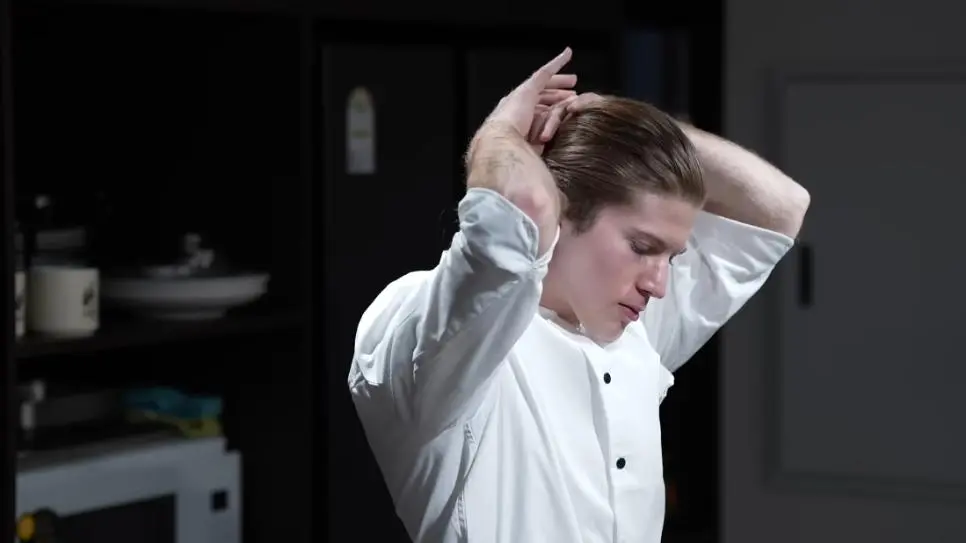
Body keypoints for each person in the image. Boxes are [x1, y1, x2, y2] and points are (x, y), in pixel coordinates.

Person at [347, 48, 809, 543]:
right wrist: (501, 130)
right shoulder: (431, 332)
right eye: (642, 247)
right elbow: (521, 210)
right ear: (561, 214)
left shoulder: (634, 329)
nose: (658, 285)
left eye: (670, 258)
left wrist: (622, 123)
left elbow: (780, 207)